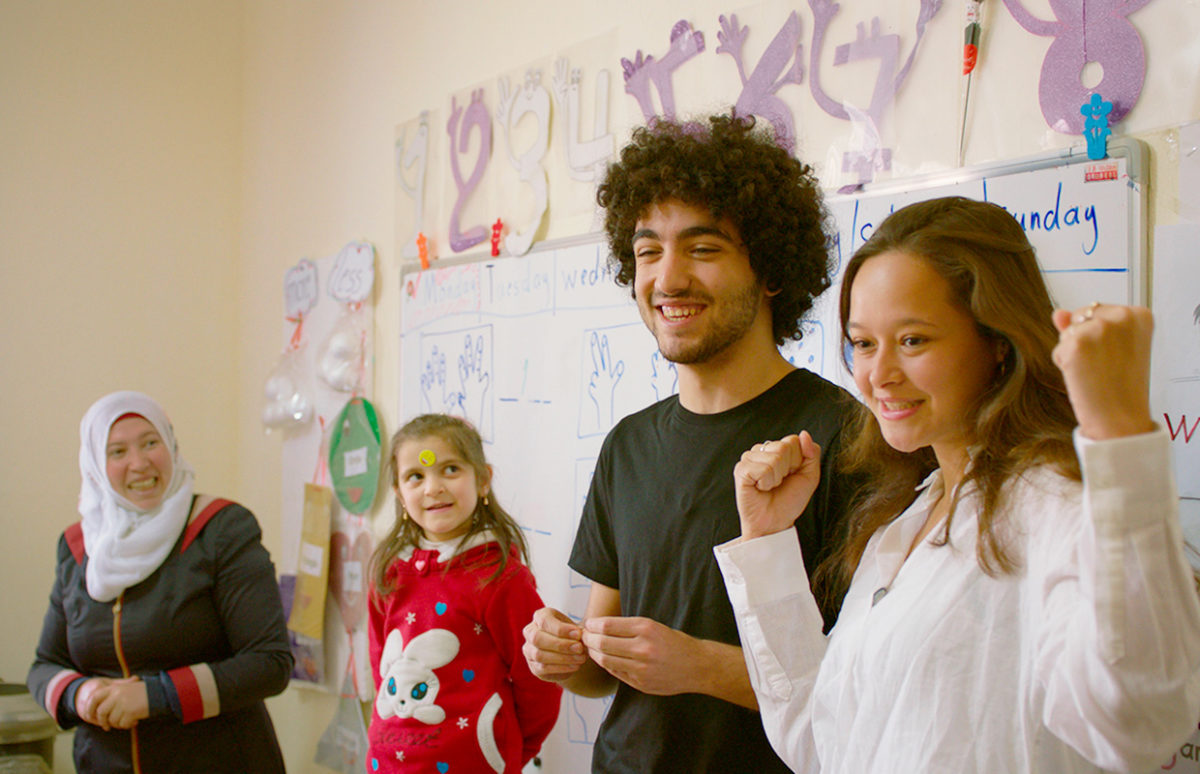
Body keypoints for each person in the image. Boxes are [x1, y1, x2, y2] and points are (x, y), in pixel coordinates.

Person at [718, 196, 1200, 773]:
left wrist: (1120, 435)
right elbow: (823, 743)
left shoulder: (1053, 500)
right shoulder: (907, 521)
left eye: (914, 340)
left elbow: (1139, 724)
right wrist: (768, 542)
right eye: (864, 343)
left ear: (998, 341)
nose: (879, 375)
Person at [521, 113, 858, 772]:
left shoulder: (845, 436)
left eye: (703, 249)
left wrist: (701, 666)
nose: (667, 279)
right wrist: (570, 656)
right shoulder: (627, 446)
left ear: (771, 271)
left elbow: (859, 688)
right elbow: (609, 669)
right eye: (648, 251)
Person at [27, 391, 292, 773]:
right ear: (95, 466)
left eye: (151, 443)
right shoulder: (77, 549)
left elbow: (269, 662)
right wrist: (79, 694)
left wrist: (154, 696)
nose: (139, 463)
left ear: (171, 445)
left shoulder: (221, 529)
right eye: (117, 452)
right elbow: (44, 665)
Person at [367, 413, 561, 773]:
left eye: (450, 469)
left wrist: (506, 749)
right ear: (399, 493)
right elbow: (382, 668)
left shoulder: (500, 578)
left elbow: (539, 680)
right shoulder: (389, 572)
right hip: (391, 764)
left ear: (483, 479)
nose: (432, 487)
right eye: (416, 476)